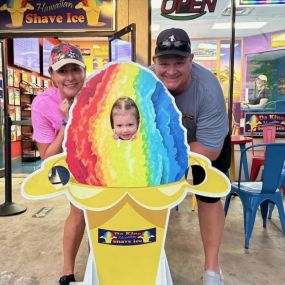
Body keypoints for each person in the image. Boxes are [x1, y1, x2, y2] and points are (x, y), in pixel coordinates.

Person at [152, 28, 231, 285]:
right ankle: (146, 257)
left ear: (191, 60)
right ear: (155, 62)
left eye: (179, 62)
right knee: (149, 192)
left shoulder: (208, 90)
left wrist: (170, 151)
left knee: (208, 196)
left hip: (207, 141)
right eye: (164, 63)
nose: (171, 70)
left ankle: (212, 269)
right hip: (165, 140)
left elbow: (209, 150)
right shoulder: (144, 82)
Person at [31, 42, 86, 285]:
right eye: (63, 71)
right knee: (79, 209)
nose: (71, 77)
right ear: (52, 76)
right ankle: (67, 272)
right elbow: (48, 158)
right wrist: (66, 124)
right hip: (66, 161)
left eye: (76, 69)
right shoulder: (43, 105)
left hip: (102, 156)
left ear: (84, 71)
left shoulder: (97, 92)